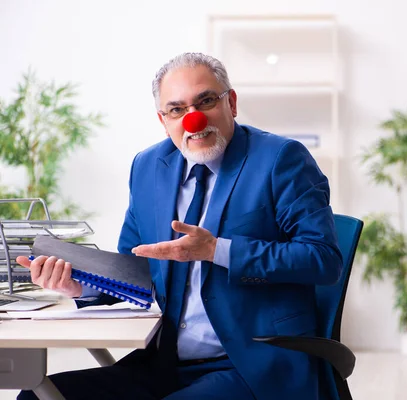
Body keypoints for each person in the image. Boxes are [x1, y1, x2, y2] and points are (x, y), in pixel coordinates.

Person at [16, 52, 342, 400]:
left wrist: (217, 250)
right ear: (163, 120)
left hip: (254, 364)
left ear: (231, 102)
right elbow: (136, 272)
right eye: (177, 109)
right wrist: (79, 286)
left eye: (206, 101)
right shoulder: (147, 167)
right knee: (36, 396)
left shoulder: (281, 159)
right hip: (165, 361)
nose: (194, 120)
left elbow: (322, 259)